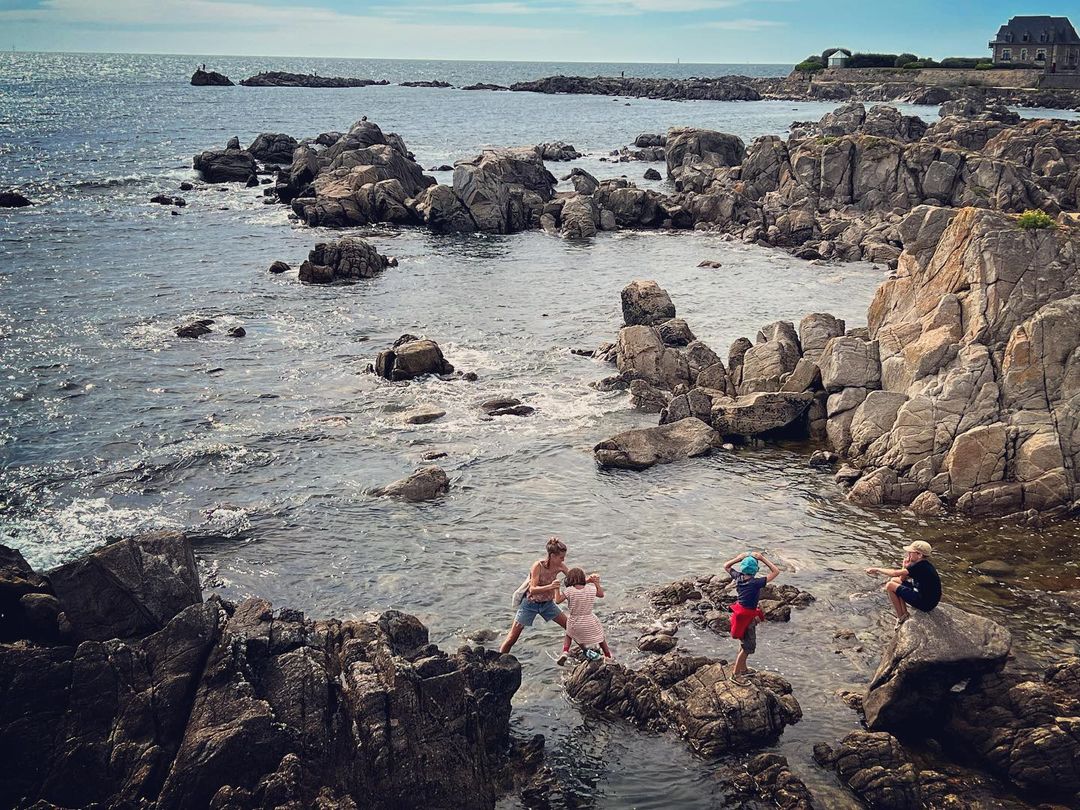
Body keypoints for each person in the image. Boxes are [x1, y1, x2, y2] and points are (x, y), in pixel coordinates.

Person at [499, 537, 569, 654]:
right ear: (552, 556)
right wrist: (551, 586)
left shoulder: (560, 566)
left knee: (570, 627)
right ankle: (499, 658)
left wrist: (589, 580)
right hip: (530, 604)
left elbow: (574, 578)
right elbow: (532, 589)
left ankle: (587, 651)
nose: (563, 560)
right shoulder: (538, 566)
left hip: (547, 604)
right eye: (561, 557)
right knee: (512, 638)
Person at [722, 551, 780, 685]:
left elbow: (726, 566)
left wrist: (738, 558)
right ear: (756, 570)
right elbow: (776, 571)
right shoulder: (756, 583)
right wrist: (762, 558)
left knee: (744, 643)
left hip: (740, 616)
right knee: (748, 647)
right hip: (747, 618)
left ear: (742, 568)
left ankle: (743, 669)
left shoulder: (738, 577)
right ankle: (736, 675)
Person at [865, 540, 941, 627]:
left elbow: (894, 573)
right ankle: (904, 613)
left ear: (919, 555)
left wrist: (877, 569)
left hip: (925, 603)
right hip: (926, 598)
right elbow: (901, 579)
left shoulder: (919, 566)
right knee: (895, 580)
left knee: (890, 586)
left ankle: (901, 617)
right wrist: (904, 566)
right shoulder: (923, 564)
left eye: (910, 553)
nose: (908, 555)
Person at [554, 568, 611, 664]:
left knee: (569, 635)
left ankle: (565, 652)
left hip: (575, 621)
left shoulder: (569, 591)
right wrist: (596, 583)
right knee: (601, 637)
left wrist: (556, 588)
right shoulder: (590, 589)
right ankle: (608, 656)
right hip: (589, 620)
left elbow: (557, 600)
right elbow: (601, 594)